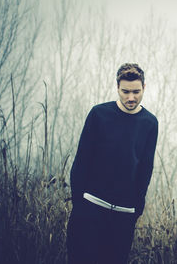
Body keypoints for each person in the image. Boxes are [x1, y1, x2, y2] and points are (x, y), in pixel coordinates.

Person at [66, 63, 158, 264]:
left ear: (144, 88)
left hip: (123, 217)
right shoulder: (99, 114)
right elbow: (81, 161)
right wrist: (79, 205)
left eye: (136, 91)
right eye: (125, 91)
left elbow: (145, 169)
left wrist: (136, 210)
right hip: (90, 208)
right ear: (117, 88)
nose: (131, 97)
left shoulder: (150, 123)